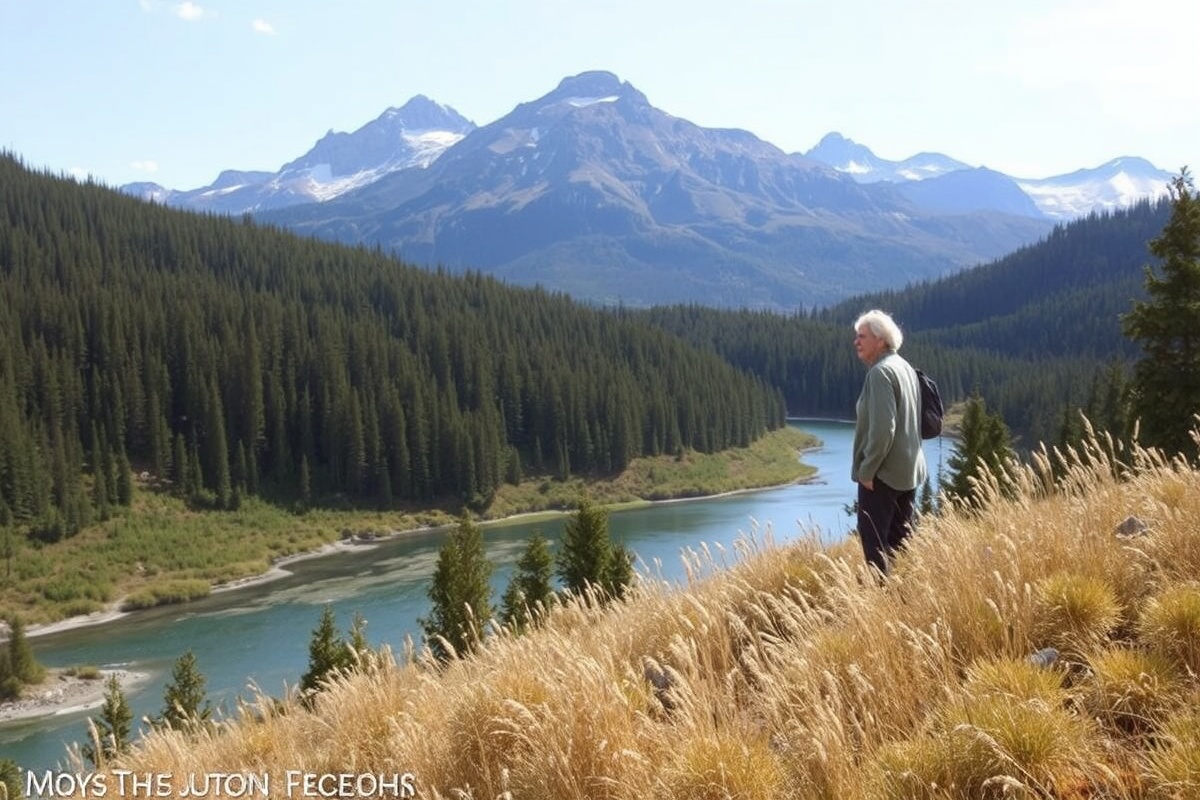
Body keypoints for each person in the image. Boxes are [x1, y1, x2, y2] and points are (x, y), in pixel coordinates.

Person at [851, 309, 927, 576]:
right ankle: (905, 595)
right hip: (908, 471)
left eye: (862, 336)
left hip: (883, 475)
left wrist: (867, 470)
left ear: (880, 340)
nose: (856, 342)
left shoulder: (880, 373)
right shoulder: (903, 366)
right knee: (901, 542)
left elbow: (884, 429)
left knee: (875, 545)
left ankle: (881, 602)